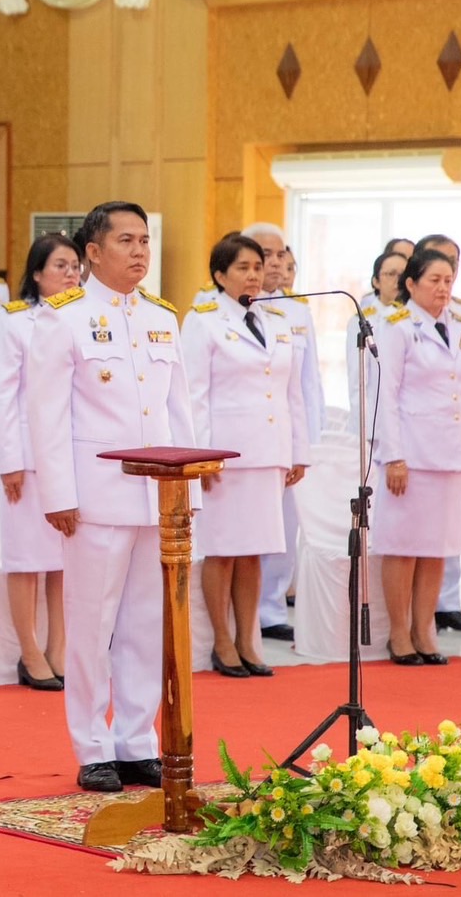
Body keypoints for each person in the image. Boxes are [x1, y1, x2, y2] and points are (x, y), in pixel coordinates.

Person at [27, 202, 193, 793]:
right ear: (93, 252)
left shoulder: (161, 317)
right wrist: (58, 493)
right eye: (126, 240)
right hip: (94, 497)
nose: (140, 251)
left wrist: (186, 490)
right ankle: (93, 746)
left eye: (145, 240)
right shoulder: (63, 318)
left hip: (157, 497)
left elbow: (179, 410)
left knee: (148, 625)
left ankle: (136, 742)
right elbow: (45, 415)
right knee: (92, 625)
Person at [181, 234, 308, 679]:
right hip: (226, 457)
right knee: (223, 551)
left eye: (258, 266)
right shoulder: (204, 320)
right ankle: (221, 640)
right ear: (220, 275)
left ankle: (247, 640)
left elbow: (292, 392)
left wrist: (298, 451)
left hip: (268, 453)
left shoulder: (275, 318)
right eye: (243, 267)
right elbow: (193, 394)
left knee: (254, 552)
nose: (254, 274)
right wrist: (202, 455)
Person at [374, 248, 461, 665]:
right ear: (411, 284)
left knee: (438, 547)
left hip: (451, 453)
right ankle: (400, 633)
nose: (443, 289)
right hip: (412, 453)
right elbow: (385, 396)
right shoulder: (398, 326)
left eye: (448, 280)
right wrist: (394, 456)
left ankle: (426, 629)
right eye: (433, 281)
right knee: (403, 547)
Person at [0, 234, 78, 692]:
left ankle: (59, 647)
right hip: (27, 456)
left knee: (64, 559)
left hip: (72, 456)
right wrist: (9, 461)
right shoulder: (14, 321)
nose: (70, 273)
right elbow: (2, 394)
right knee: (27, 560)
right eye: (60, 265)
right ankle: (29, 650)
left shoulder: (84, 317)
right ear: (37, 273)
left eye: (75, 265)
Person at [243, 223, 321, 646]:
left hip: (284, 440)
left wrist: (306, 444)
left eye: (279, 255)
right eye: (264, 256)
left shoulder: (296, 311)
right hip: (244, 443)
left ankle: (271, 608)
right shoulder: (210, 308)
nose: (274, 264)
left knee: (283, 530)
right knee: (246, 534)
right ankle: (244, 613)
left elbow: (308, 386)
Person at [346, 250, 409, 434]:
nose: (397, 280)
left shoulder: (415, 318)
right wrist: (365, 429)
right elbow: (358, 383)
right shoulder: (364, 321)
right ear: (375, 281)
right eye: (390, 274)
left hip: (411, 425)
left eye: (402, 275)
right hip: (376, 424)